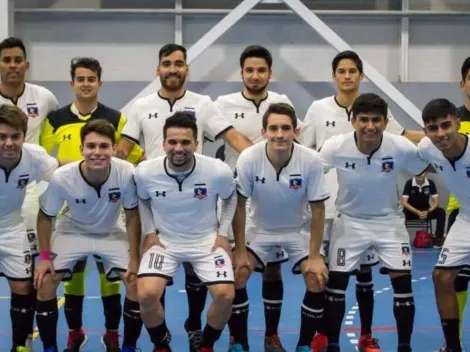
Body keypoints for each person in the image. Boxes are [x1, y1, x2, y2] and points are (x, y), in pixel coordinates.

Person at [118, 43, 251, 350]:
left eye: (179, 63)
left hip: (199, 200)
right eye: (167, 63)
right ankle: (159, 339)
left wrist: (268, 156)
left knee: (201, 281)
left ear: (186, 69)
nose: (173, 68)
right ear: (158, 69)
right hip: (158, 203)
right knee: (149, 289)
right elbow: (123, 149)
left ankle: (197, 330)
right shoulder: (141, 106)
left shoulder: (203, 104)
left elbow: (231, 136)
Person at [300, 50, 424, 352]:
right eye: (364, 119)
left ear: (385, 121)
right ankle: (331, 344)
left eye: (376, 120)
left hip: (390, 223)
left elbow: (428, 162)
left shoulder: (399, 146)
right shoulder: (334, 145)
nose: (370, 125)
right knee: (335, 284)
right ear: (353, 121)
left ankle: (403, 345)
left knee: (402, 285)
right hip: (346, 220)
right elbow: (307, 168)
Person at [39, 57, 144, 351]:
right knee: (69, 277)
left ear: (99, 83)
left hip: (109, 212)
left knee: (114, 278)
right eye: (80, 79)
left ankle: (116, 335)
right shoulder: (56, 120)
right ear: (72, 83)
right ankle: (74, 333)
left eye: (91, 79)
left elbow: (132, 155)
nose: (86, 84)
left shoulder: (116, 118)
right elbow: (42, 157)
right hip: (70, 211)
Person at [215, 45, 301, 352]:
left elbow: (293, 141)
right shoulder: (223, 103)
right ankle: (238, 338)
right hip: (236, 196)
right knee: (237, 267)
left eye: (261, 70)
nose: (255, 75)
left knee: (274, 268)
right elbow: (235, 141)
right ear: (241, 73)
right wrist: (261, 156)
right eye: (249, 70)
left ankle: (271, 335)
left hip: (273, 196)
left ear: (270, 73)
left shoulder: (282, 102)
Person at [229, 102, 329, 352]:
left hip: (298, 229)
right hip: (259, 228)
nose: (280, 134)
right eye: (273, 128)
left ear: (296, 131)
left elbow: (318, 209)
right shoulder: (249, 158)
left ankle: (304, 345)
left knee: (317, 278)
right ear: (263, 132)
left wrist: (315, 256)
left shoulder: (311, 160)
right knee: (238, 271)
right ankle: (239, 341)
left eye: (286, 128)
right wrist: (239, 250)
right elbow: (239, 206)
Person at [135, 111, 237, 352]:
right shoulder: (145, 172)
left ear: (196, 144)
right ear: (163, 143)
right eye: (172, 142)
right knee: (147, 295)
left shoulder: (217, 170)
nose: (178, 148)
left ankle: (206, 345)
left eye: (185, 142)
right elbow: (142, 199)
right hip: (165, 243)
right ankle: (161, 344)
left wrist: (223, 234)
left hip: (206, 242)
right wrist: (149, 231)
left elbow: (231, 198)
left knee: (225, 296)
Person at [0, 37, 59, 346]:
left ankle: (20, 344)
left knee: (23, 286)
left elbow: (63, 171)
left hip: (14, 219)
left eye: (17, 59)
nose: (8, 142)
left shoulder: (35, 155)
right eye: (6, 59)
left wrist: (105, 162)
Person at [418, 98, 470, 352]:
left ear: (458, 122)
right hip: (467, 220)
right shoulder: (427, 148)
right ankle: (452, 346)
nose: (441, 133)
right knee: (441, 276)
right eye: (433, 128)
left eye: (446, 125)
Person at [434, 57, 470, 352]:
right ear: (463, 83)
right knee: (453, 280)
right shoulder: (451, 118)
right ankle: (452, 342)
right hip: (460, 212)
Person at [401, 172, 446, 245]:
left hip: (426, 211)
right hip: (411, 212)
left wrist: (428, 211)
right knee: (401, 214)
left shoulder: (430, 183)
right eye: (417, 172)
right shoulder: (409, 183)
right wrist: (417, 212)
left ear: (426, 173)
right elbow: (404, 202)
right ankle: (402, 239)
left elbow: (437, 202)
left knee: (441, 212)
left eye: (422, 172)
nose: (419, 174)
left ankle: (438, 239)